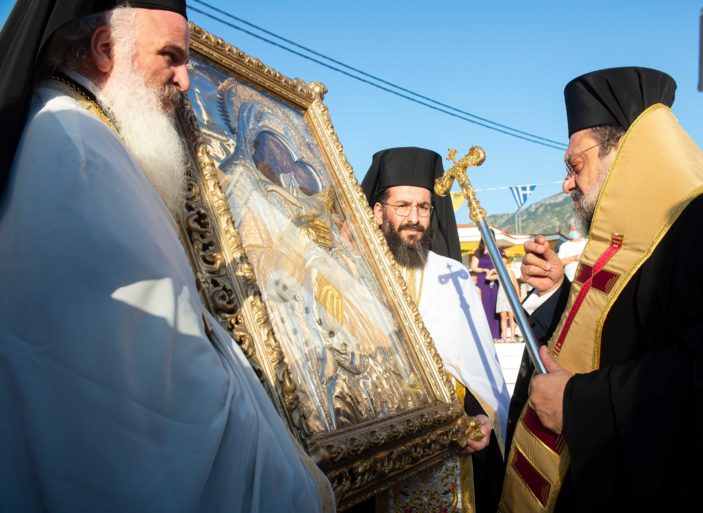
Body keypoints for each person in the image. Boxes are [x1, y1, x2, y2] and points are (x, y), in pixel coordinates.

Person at [0, 2, 334, 512]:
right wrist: (287, 474)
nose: (183, 81)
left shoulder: (74, 129)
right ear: (106, 50)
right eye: (171, 57)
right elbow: (157, 390)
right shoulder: (80, 150)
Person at [500, 67, 703, 511]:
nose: (567, 182)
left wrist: (578, 404)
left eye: (574, 165)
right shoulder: (627, 239)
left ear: (624, 152)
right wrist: (558, 293)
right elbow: (625, 337)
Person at [362, 147, 510, 513]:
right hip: (374, 454)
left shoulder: (454, 276)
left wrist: (480, 418)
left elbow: (478, 370)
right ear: (379, 210)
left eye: (424, 207)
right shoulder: (353, 271)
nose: (414, 218)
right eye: (403, 206)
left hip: (449, 451)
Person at [470, 234, 501, 340]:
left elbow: (503, 265)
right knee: (484, 306)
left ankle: (496, 335)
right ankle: (486, 335)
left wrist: (493, 272)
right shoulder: (479, 251)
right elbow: (473, 267)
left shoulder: (498, 251)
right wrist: (484, 270)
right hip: (483, 282)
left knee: (495, 306)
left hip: (494, 281)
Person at [495, 251, 521, 342]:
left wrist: (518, 297)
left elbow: (516, 285)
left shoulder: (510, 272)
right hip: (501, 295)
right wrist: (491, 270)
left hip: (510, 295)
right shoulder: (498, 272)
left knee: (511, 316)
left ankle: (513, 336)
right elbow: (488, 277)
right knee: (503, 316)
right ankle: (504, 337)